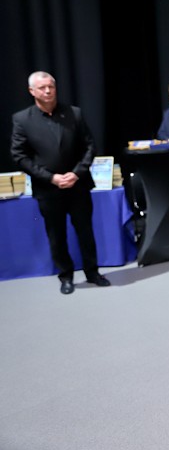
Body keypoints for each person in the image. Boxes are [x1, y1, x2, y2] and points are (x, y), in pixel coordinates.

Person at [10, 71, 111, 294]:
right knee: (56, 235)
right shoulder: (22, 119)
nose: (48, 91)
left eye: (51, 86)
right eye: (42, 87)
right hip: (48, 189)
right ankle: (66, 276)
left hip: (78, 185)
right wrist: (50, 177)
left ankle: (93, 272)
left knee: (85, 232)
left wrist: (77, 173)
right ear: (32, 91)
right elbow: (19, 156)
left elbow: (89, 146)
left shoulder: (74, 113)